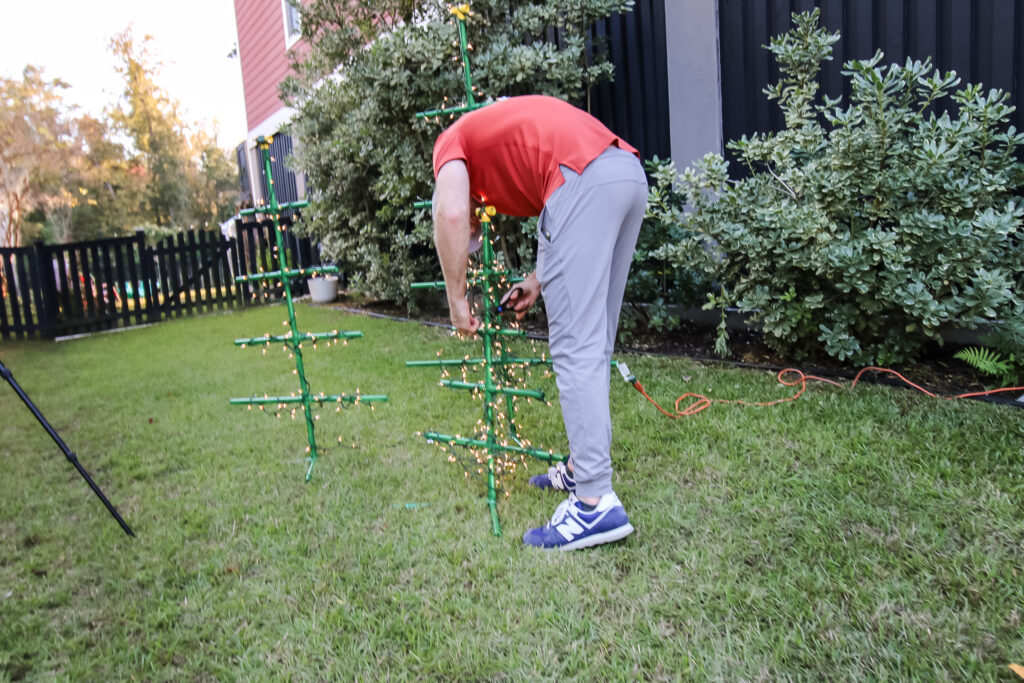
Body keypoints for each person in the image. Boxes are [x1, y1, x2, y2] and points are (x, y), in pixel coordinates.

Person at [431, 94, 648, 551]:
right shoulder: (500, 134)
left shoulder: (452, 143)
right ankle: (580, 466)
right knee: (596, 342)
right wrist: (537, 280)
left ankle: (594, 503)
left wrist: (455, 298)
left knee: (576, 348)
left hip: (585, 182)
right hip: (624, 173)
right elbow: (560, 201)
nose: (473, 225)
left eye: (473, 228)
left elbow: (448, 212)